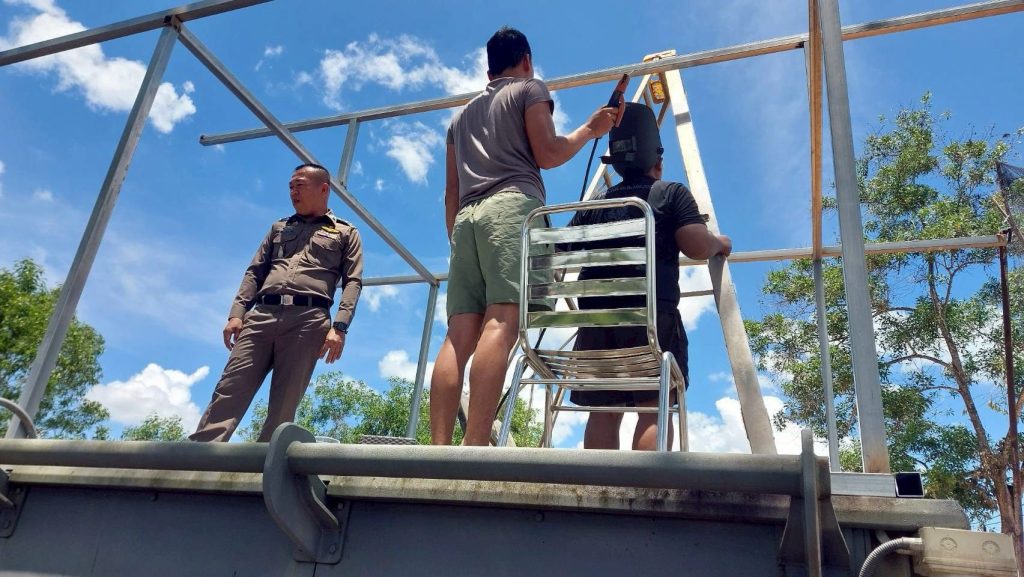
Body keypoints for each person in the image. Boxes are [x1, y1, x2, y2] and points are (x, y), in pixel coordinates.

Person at [430, 26, 622, 446]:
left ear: (488, 71)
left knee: (458, 335)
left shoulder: (459, 119)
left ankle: (437, 450)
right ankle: (474, 447)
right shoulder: (529, 88)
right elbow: (548, 154)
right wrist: (590, 129)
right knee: (502, 322)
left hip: (465, 221)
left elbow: (450, 192)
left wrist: (457, 240)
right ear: (527, 61)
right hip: (511, 208)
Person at [569, 102, 731, 451]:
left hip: (596, 327)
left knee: (603, 409)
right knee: (652, 404)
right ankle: (645, 482)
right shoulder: (670, 193)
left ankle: (596, 482)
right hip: (650, 323)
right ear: (657, 161)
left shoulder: (593, 206)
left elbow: (564, 249)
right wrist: (719, 243)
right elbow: (696, 246)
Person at [189, 163, 363, 442]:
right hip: (261, 315)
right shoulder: (279, 227)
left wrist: (339, 327)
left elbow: (353, 281)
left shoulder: (345, 232)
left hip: (308, 320)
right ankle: (199, 458)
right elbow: (254, 272)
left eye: (300, 185)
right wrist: (237, 313)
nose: (293, 191)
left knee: (285, 402)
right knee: (230, 388)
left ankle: (265, 465)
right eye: (290, 186)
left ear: (323, 189)